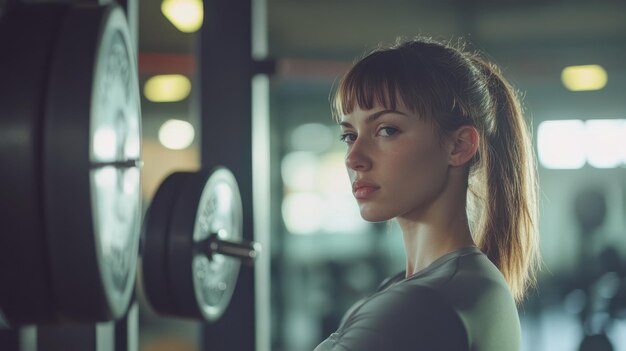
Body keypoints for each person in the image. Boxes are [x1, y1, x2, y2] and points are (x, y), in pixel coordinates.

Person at [314, 37, 540, 351]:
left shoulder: (426, 302)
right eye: (350, 135)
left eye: (387, 130)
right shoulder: (453, 283)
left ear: (459, 146)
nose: (354, 158)